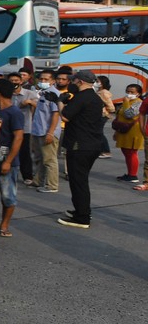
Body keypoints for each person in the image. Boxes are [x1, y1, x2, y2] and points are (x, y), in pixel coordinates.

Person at [57, 70, 104, 229]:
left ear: (80, 82)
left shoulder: (82, 97)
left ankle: (82, 218)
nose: (71, 83)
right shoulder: (94, 97)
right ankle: (81, 210)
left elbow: (65, 116)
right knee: (80, 180)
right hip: (92, 144)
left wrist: (60, 102)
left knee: (78, 182)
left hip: (80, 145)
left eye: (73, 80)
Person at [0, 79, 24, 237]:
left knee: (8, 197)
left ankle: (4, 224)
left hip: (6, 163)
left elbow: (18, 137)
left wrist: (8, 161)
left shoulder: (15, 113)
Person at [31, 70, 61, 193]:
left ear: (53, 81)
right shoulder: (44, 93)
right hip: (38, 131)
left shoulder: (54, 94)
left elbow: (56, 114)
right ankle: (38, 180)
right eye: (41, 79)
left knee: (49, 160)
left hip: (47, 132)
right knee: (40, 158)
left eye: (46, 79)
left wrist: (50, 132)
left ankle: (52, 185)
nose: (43, 81)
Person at [10, 72, 38, 186]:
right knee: (10, 151)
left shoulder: (29, 93)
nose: (14, 83)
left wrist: (30, 102)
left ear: (21, 81)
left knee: (25, 153)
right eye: (11, 81)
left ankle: (27, 176)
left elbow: (38, 105)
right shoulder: (7, 94)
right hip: (10, 127)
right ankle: (12, 174)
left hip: (25, 127)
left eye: (16, 80)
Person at [113, 84, 143, 183]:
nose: (129, 94)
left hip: (133, 131)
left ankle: (133, 175)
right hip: (124, 130)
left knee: (131, 152)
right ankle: (130, 174)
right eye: (128, 91)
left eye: (132, 92)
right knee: (126, 152)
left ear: (138, 94)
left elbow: (129, 114)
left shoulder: (138, 103)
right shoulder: (128, 101)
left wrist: (126, 103)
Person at [96, 76, 115, 159]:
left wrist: (105, 110)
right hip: (98, 114)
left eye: (97, 81)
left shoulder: (104, 92)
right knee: (97, 132)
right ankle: (100, 150)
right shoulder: (99, 91)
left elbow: (111, 107)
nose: (95, 82)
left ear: (102, 83)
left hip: (102, 115)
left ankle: (106, 151)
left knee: (99, 132)